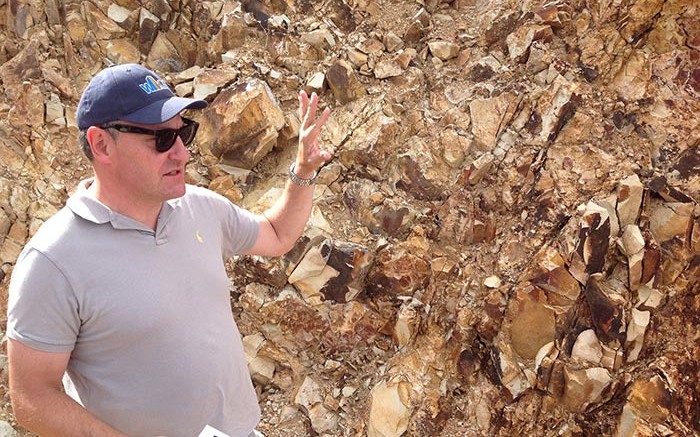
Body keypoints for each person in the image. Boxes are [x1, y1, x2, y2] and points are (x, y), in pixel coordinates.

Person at [6, 63, 331, 437]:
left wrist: (304, 169)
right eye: (161, 140)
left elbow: (276, 234)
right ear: (101, 144)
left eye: (184, 134)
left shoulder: (201, 208)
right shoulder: (52, 261)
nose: (182, 154)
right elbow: (32, 396)